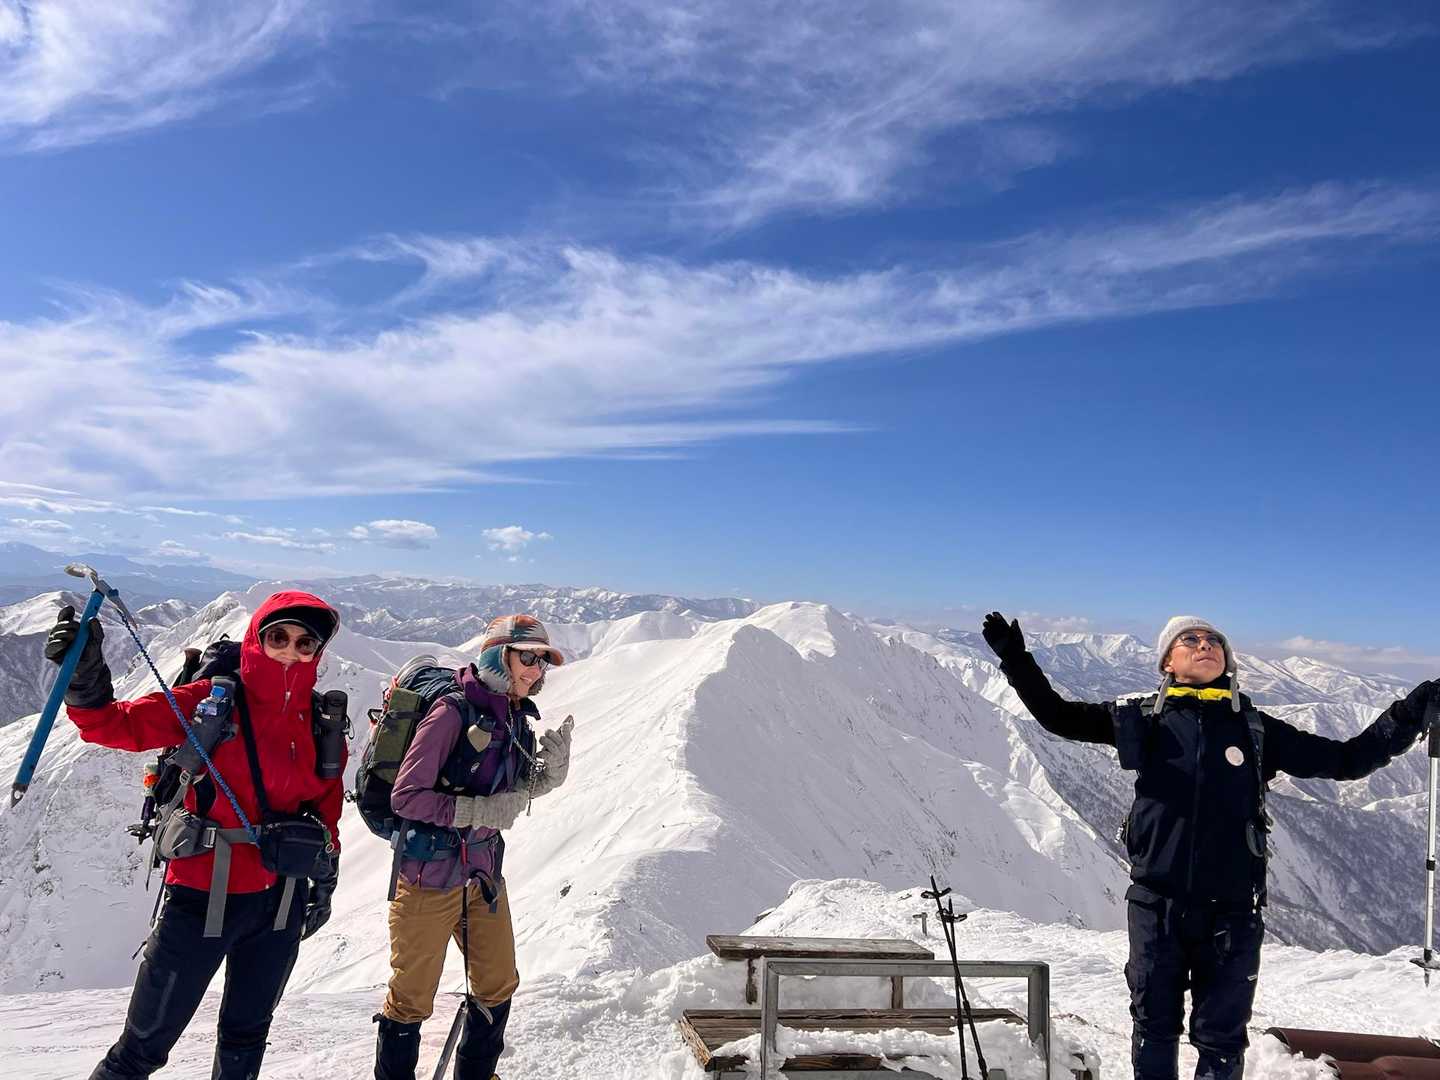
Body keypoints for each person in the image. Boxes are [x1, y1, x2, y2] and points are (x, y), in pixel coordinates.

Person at [982, 611, 1436, 1080]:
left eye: (1214, 640)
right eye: (1190, 639)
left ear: (1227, 661)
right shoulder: (1141, 720)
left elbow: (1347, 759)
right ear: (1167, 662)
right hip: (1157, 904)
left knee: (1222, 1039)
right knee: (1154, 1028)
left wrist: (1408, 713)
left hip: (1233, 913)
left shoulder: (1255, 729)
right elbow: (1057, 716)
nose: (1205, 645)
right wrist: (1016, 659)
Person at [45, 591, 345, 1080]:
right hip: (202, 895)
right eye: (278, 637)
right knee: (142, 1049)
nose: (291, 651)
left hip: (283, 899)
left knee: (247, 1038)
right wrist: (84, 677)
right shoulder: (212, 702)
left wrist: (325, 877)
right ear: (257, 640)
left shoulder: (319, 720)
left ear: (317, 650)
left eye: (304, 642)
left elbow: (326, 807)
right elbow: (112, 725)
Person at [373, 614, 574, 1080]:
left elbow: (507, 793)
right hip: (427, 878)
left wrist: (546, 779)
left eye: (542, 662)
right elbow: (407, 797)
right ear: (499, 656)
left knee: (498, 983)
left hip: (482, 876)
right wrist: (476, 811)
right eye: (528, 658)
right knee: (411, 999)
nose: (536, 671)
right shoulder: (452, 712)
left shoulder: (514, 716)